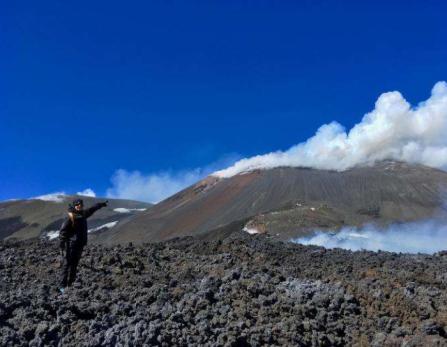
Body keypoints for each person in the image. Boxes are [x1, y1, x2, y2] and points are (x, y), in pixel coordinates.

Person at [58, 198, 108, 292]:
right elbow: (63, 231)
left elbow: (92, 209)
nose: (79, 206)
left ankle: (71, 285)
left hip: (80, 244)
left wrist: (100, 204)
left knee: (74, 265)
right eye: (77, 205)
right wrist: (62, 244)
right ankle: (62, 286)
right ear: (74, 206)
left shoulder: (83, 214)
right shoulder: (71, 216)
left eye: (80, 205)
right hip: (71, 245)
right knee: (67, 265)